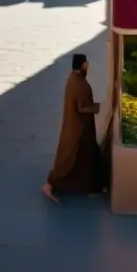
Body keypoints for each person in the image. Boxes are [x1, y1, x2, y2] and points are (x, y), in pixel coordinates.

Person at [42, 53, 104, 203]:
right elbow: (82, 107)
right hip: (79, 129)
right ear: (82, 65)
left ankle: (88, 187)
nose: (88, 65)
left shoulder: (74, 79)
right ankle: (50, 184)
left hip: (80, 127)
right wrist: (100, 107)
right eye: (87, 63)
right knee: (72, 157)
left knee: (82, 158)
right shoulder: (79, 84)